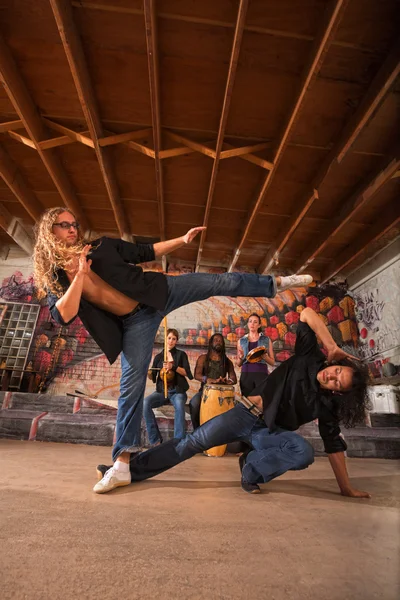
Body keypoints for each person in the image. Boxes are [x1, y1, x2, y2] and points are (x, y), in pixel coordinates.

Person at [32, 206, 313, 494]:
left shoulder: (100, 246)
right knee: (131, 388)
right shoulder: (55, 278)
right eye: (63, 224)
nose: (72, 229)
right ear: (48, 232)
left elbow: (145, 251)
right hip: (133, 324)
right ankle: (122, 464)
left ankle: (276, 283)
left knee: (217, 282)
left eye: (74, 223)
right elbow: (64, 314)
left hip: (159, 292)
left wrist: (182, 240)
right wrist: (80, 274)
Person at [96, 308, 371, 499]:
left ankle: (251, 467)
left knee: (303, 451)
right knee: (190, 444)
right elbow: (307, 314)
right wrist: (331, 344)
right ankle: (126, 470)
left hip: (267, 432)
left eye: (338, 383)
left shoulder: (327, 406)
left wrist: (346, 488)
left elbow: (334, 446)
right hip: (242, 415)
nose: (332, 376)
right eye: (337, 371)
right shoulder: (309, 357)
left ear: (338, 393)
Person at [144, 328, 193, 445]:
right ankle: (155, 440)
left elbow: (187, 373)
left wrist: (173, 367)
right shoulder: (158, 357)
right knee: (145, 403)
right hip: (161, 392)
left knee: (180, 406)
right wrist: (149, 373)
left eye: (174, 339)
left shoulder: (181, 355)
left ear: (176, 341)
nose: (171, 341)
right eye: (169, 338)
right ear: (165, 340)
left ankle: (178, 442)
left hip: (177, 391)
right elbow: (153, 377)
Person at [189, 333, 237, 430]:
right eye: (216, 340)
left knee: (237, 408)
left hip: (223, 394)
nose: (218, 342)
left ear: (223, 344)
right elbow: (196, 375)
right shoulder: (203, 358)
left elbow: (233, 378)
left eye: (220, 341)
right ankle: (197, 431)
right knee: (194, 404)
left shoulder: (227, 361)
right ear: (211, 343)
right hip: (205, 392)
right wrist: (207, 379)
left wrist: (228, 381)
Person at [237, 313, 275, 396]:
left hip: (261, 375)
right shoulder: (241, 341)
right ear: (247, 324)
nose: (252, 324)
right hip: (246, 375)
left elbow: (272, 362)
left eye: (255, 322)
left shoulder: (266, 340)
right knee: (247, 403)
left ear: (259, 325)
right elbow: (239, 364)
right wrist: (240, 358)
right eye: (250, 321)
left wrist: (265, 357)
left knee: (261, 402)